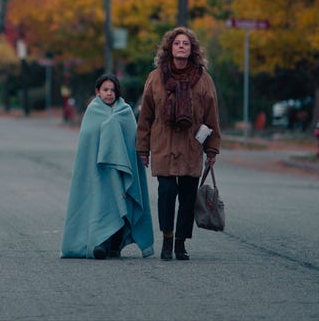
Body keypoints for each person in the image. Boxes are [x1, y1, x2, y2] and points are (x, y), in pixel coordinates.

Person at [136, 27, 222, 261]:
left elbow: (211, 117)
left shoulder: (204, 80)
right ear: (169, 49)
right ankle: (167, 239)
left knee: (187, 196)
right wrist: (142, 148)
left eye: (186, 43)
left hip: (191, 146)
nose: (181, 46)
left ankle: (181, 243)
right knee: (166, 193)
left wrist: (212, 148)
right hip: (163, 144)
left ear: (192, 49)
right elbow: (146, 116)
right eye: (177, 43)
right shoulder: (155, 77)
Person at [61, 74, 154, 259]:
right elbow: (87, 141)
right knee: (102, 203)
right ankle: (100, 243)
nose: (109, 93)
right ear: (98, 92)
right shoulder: (92, 112)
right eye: (105, 90)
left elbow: (131, 140)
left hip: (122, 170)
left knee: (123, 201)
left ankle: (115, 244)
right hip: (100, 172)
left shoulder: (125, 112)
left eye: (112, 90)